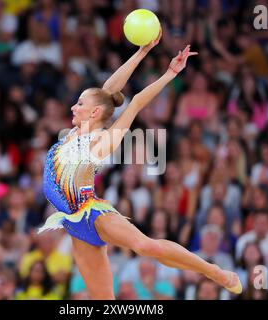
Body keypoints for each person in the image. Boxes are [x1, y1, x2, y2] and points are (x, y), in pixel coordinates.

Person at [37, 33, 242, 299]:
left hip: (92, 214)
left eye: (80, 103)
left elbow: (134, 103)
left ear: (95, 113)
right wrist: (142, 52)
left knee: (145, 246)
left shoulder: (100, 139)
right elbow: (109, 89)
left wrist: (169, 73)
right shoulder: (75, 133)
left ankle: (215, 272)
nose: (73, 107)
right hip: (74, 225)